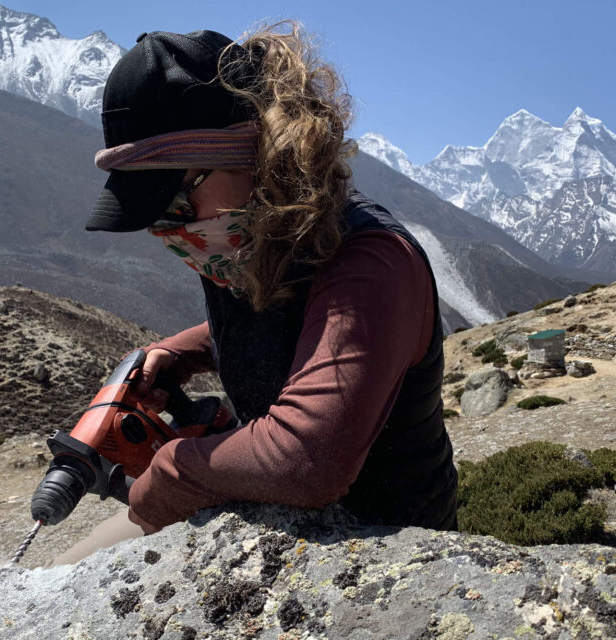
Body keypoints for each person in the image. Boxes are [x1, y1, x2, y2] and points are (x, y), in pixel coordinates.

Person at [53, 22, 457, 563]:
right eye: (153, 217)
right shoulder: (250, 237)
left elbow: (305, 459)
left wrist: (174, 470)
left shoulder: (371, 263)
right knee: (67, 571)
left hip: (392, 551)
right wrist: (186, 351)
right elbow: (290, 318)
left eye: (173, 202)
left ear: (253, 154)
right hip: (277, 518)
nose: (170, 230)